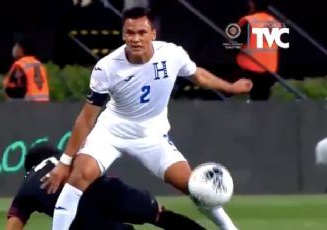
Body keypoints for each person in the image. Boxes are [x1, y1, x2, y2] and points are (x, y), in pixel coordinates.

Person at [43, 7, 252, 230]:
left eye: (142, 32)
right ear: (123, 34)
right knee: (78, 178)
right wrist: (65, 163)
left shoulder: (171, 54)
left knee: (196, 187)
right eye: (130, 33)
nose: (135, 38)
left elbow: (199, 75)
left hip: (152, 137)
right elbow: (86, 119)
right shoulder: (106, 68)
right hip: (111, 133)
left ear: (153, 33)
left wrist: (230, 87)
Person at [6, 143, 206, 230]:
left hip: (81, 217)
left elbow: (14, 224)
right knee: (160, 215)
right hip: (107, 189)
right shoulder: (63, 158)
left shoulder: (26, 187)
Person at [234, 0, 279, 100]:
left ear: (252, 4)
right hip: (269, 70)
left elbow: (236, 41)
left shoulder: (250, 21)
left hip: (250, 69)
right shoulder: (274, 22)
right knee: (261, 100)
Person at [3, 34, 50, 102]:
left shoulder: (20, 65)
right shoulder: (39, 64)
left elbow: (15, 92)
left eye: (17, 46)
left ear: (22, 49)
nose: (15, 49)